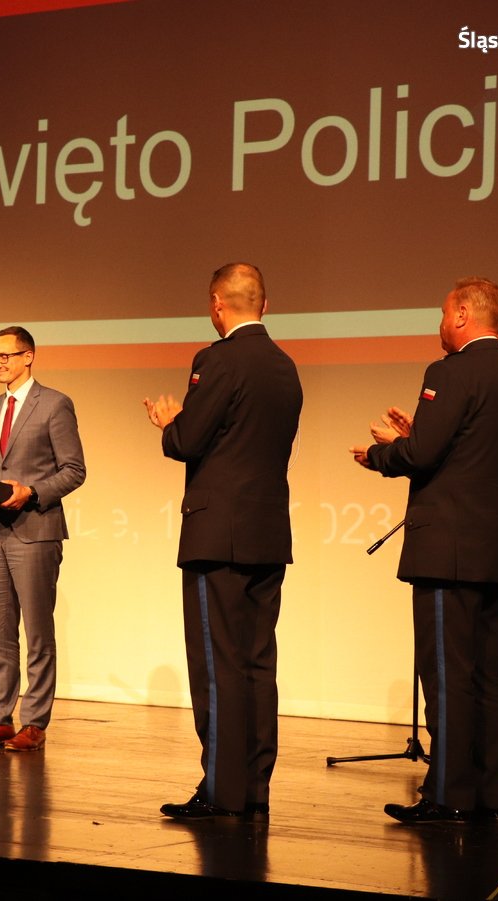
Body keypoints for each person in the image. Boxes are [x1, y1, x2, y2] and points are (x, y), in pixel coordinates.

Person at [349, 276, 498, 823]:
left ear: (460, 315)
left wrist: (383, 454)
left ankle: (449, 795)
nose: (440, 323)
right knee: (490, 678)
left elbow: (424, 454)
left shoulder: (449, 371)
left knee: (447, 675)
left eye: (442, 313)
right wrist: (421, 435)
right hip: (497, 551)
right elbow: (471, 451)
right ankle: (489, 795)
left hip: (447, 551)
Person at [144, 263, 302, 822]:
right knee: (257, 666)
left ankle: (221, 789)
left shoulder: (217, 360)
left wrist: (169, 422)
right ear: (265, 304)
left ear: (217, 304)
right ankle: (253, 787)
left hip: (218, 538)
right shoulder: (284, 365)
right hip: (267, 533)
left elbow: (189, 440)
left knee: (217, 667)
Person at [0, 326, 85, 752]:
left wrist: (31, 492)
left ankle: (34, 721)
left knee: (37, 634)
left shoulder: (54, 404)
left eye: (5, 356)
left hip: (35, 531)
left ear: (28, 356)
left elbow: (74, 470)